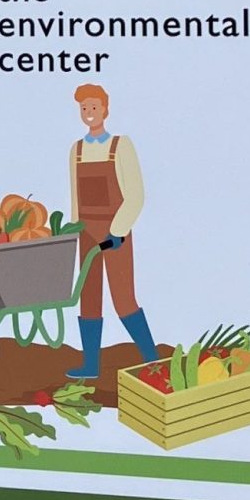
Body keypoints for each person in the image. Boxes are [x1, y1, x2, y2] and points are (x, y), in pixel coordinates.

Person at [65, 83, 157, 379]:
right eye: (84, 108)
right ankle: (90, 365)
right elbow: (75, 197)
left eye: (94, 106)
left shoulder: (121, 146)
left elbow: (136, 195)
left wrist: (118, 229)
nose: (89, 112)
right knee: (87, 296)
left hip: (115, 233)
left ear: (105, 108)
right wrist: (73, 227)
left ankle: (152, 358)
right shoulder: (76, 150)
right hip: (85, 233)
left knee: (123, 297)